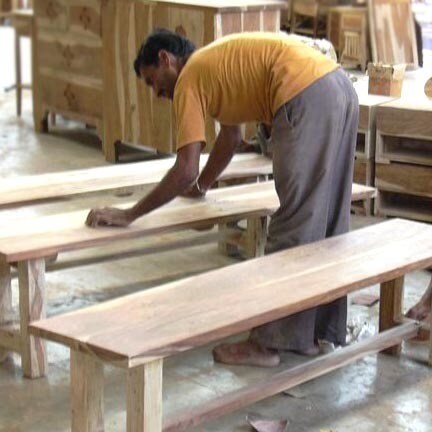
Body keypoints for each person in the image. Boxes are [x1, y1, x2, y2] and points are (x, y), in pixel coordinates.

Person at [86, 29, 359, 367]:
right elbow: (230, 139)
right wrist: (202, 187)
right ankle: (311, 334)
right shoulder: (215, 67)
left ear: (165, 59)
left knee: (294, 223)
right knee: (328, 219)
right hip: (337, 86)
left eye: (151, 81)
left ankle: (267, 343)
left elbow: (184, 167)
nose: (156, 92)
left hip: (303, 92)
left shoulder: (188, 79)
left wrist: (130, 213)